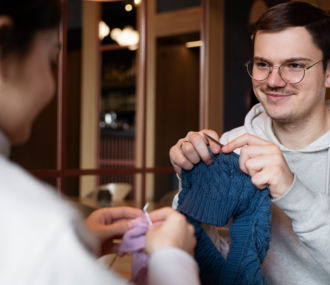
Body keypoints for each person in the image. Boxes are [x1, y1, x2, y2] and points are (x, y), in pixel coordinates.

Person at [0, 1, 200, 284]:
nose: (50, 88)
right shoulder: (38, 226)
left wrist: (76, 248)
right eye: (51, 61)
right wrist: (172, 259)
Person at [170, 2, 330, 284]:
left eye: (294, 66)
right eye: (263, 65)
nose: (273, 81)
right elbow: (206, 258)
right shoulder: (232, 145)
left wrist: (293, 191)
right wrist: (196, 182)